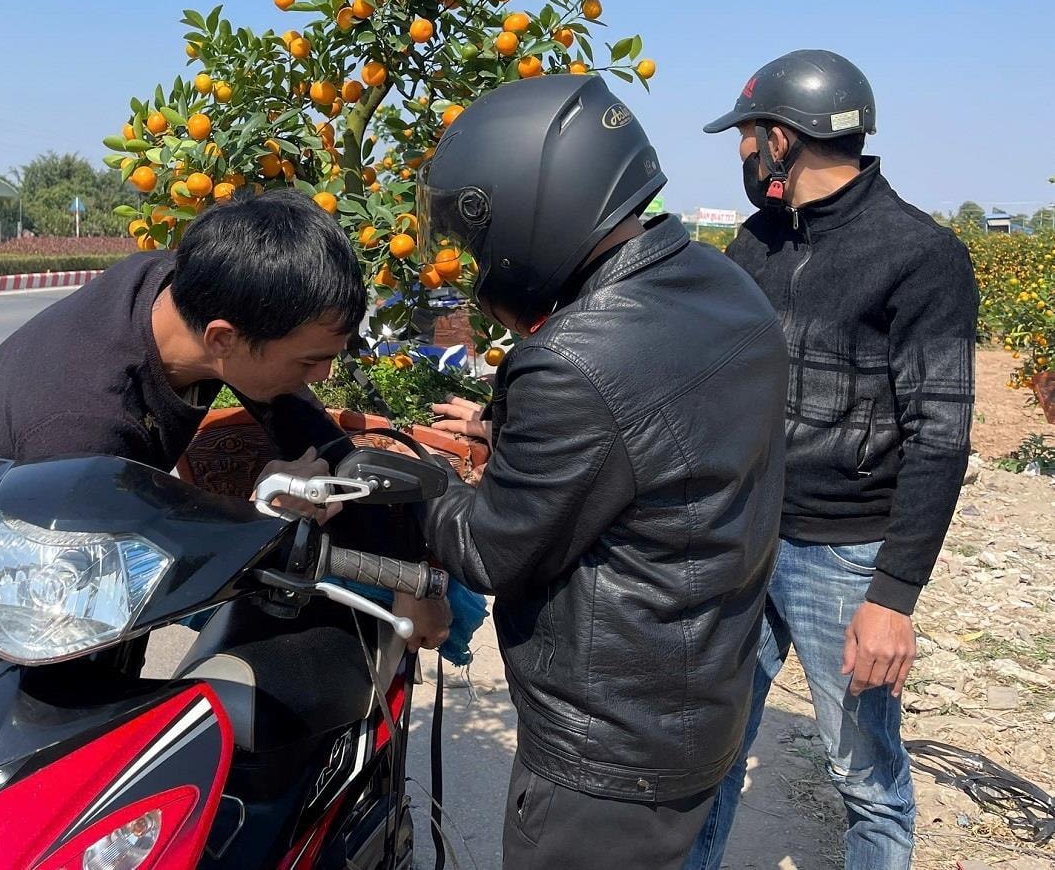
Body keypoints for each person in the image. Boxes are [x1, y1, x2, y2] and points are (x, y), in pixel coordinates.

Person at [0, 190, 446, 735]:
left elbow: (299, 418)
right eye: (309, 361)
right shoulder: (84, 418)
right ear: (224, 337)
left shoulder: (183, 290)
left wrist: (407, 574)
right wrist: (256, 515)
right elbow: (111, 562)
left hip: (56, 581)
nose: (323, 376)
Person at [416, 73, 789, 869]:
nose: (481, 260)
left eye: (480, 234)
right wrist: (507, 433)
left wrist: (417, 484)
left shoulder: (571, 361)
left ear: (530, 208)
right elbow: (657, 441)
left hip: (607, 751)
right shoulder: (721, 283)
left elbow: (488, 550)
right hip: (697, 694)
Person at [684, 49, 979, 869]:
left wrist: (892, 597)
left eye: (745, 138)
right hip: (745, 540)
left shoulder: (918, 255)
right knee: (703, 757)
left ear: (780, 138)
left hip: (842, 557)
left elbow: (940, 433)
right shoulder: (757, 242)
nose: (741, 155)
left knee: (864, 778)